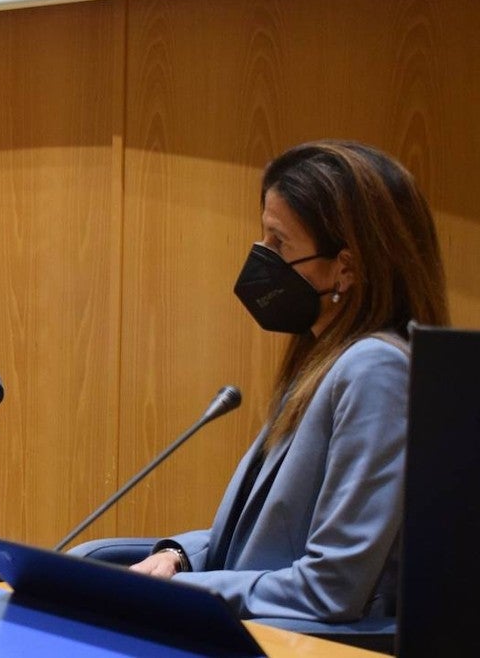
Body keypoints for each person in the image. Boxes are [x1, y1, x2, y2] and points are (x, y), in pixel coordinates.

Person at [124, 140, 449, 622]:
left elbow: (331, 588)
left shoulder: (375, 372)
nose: (262, 258)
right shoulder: (325, 358)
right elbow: (266, 538)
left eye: (279, 243)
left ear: (346, 267)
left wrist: (187, 590)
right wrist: (179, 557)